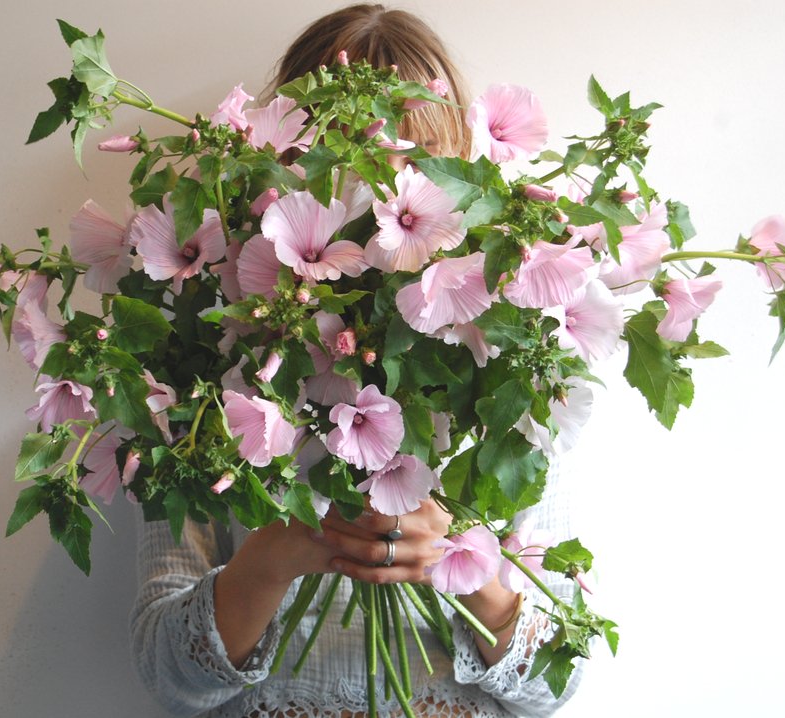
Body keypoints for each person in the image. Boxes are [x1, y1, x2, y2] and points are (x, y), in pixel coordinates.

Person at [130, 5, 582, 716]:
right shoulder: (201, 374)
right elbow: (167, 675)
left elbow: (556, 680)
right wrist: (270, 558)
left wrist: (463, 568)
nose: (382, 186)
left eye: (415, 155)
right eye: (347, 149)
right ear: (284, 158)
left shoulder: (510, 367)